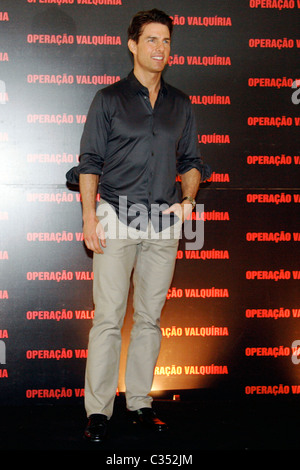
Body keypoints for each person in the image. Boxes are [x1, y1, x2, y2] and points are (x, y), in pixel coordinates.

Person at [66, 8, 211, 443]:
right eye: (151, 39)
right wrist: (90, 218)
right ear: (132, 45)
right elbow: (89, 162)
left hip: (163, 222)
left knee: (149, 319)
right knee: (108, 319)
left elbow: (191, 162)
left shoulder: (181, 104)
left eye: (165, 41)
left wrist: (187, 200)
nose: (159, 48)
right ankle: (98, 411)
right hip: (115, 217)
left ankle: (141, 404)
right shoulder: (108, 99)